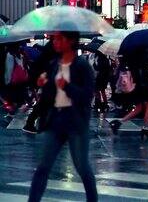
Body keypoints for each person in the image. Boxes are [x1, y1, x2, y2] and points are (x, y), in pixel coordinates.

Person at [29, 31, 98, 202]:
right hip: (55, 120)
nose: (55, 42)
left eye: (60, 38)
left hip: (76, 122)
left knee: (82, 167)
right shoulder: (54, 64)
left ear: (71, 40)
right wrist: (43, 85)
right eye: (54, 38)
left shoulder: (82, 66)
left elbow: (87, 96)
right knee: (43, 167)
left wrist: (67, 87)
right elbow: (51, 96)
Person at [109, 53, 148, 140]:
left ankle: (118, 122)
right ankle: (146, 129)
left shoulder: (130, 56)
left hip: (136, 84)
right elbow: (145, 68)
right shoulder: (143, 56)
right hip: (144, 84)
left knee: (139, 107)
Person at [3, 43, 30, 115]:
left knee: (12, 98)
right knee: (20, 98)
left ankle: (13, 113)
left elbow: (9, 69)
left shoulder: (10, 55)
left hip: (14, 81)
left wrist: (7, 81)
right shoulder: (20, 54)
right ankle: (21, 111)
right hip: (21, 80)